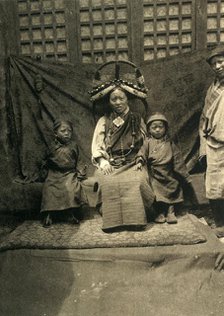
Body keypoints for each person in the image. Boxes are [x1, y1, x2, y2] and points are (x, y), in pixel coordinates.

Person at [90, 63, 155, 232]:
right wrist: (103, 160)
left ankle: (137, 219)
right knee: (107, 181)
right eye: (114, 99)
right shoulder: (104, 120)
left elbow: (146, 142)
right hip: (112, 162)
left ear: (128, 99)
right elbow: (97, 144)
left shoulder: (136, 118)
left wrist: (141, 158)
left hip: (134, 162)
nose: (118, 102)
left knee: (139, 181)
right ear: (109, 102)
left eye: (121, 98)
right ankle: (113, 222)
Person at [135, 113, 191, 224]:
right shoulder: (147, 143)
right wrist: (140, 161)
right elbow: (142, 152)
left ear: (165, 128)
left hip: (168, 173)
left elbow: (178, 160)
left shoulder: (170, 144)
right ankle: (160, 212)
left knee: (173, 185)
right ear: (149, 129)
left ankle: (171, 211)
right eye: (154, 127)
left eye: (160, 127)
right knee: (154, 190)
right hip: (154, 174)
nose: (157, 130)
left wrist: (185, 175)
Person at [41, 119, 87, 227]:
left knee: (71, 188)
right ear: (55, 133)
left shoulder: (74, 146)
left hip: (69, 173)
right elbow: (44, 161)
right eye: (63, 131)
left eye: (69, 131)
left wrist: (81, 172)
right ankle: (49, 215)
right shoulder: (51, 147)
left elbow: (79, 161)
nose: (67, 133)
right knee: (49, 188)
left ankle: (70, 213)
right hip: (54, 173)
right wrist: (44, 173)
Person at [199, 45, 224, 236]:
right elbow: (205, 116)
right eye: (214, 63)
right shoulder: (213, 88)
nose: (218, 66)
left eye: (221, 61)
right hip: (214, 142)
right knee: (214, 185)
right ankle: (220, 223)